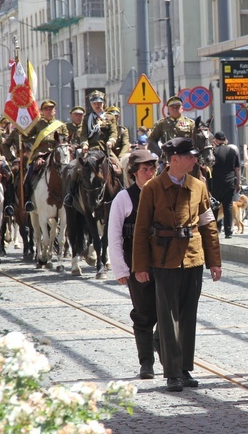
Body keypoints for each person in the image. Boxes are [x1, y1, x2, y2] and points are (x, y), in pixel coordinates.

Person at [132, 136, 222, 392]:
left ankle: (184, 368)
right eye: (190, 156)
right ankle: (171, 373)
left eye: (194, 156)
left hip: (193, 258)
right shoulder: (152, 188)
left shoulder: (199, 186)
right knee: (168, 318)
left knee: (188, 316)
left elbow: (208, 225)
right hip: (164, 259)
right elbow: (140, 230)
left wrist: (214, 261)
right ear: (174, 160)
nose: (195, 160)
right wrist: (140, 266)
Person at [108, 149, 160, 379]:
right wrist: (120, 268)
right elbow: (114, 235)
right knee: (143, 313)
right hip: (135, 262)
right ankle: (146, 363)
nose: (149, 173)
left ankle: (167, 356)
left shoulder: (162, 193)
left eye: (152, 169)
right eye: (144, 170)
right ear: (134, 173)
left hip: (162, 260)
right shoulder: (124, 198)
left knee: (167, 311)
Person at [64, 90, 118, 207]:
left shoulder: (110, 117)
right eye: (94, 103)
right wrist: (84, 143)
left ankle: (120, 193)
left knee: (119, 168)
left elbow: (114, 132)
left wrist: (111, 141)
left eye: (99, 102)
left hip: (105, 149)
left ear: (103, 103)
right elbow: (83, 134)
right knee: (77, 168)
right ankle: (70, 194)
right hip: (91, 150)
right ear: (91, 104)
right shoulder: (87, 118)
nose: (97, 105)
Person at [22, 100, 69, 212]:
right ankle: (28, 200)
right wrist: (30, 150)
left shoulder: (61, 125)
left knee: (69, 173)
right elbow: (25, 137)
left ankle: (70, 198)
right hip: (41, 155)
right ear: (42, 111)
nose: (49, 111)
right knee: (30, 174)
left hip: (57, 154)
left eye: (51, 109)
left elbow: (66, 140)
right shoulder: (37, 124)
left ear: (55, 111)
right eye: (46, 109)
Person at [211, 131, 241, 239]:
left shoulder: (213, 151)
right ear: (225, 139)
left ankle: (214, 230)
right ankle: (228, 232)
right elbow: (237, 169)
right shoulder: (232, 151)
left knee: (214, 206)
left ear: (216, 140)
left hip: (216, 183)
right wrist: (238, 183)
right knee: (228, 206)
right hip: (229, 182)